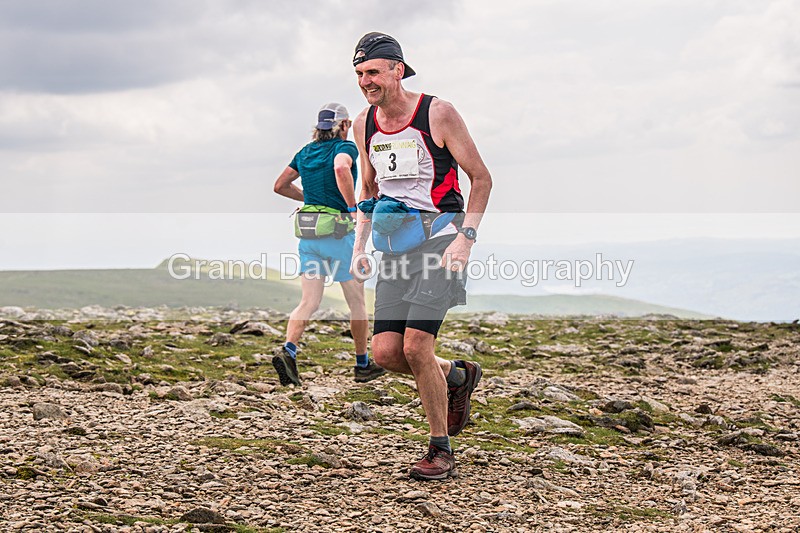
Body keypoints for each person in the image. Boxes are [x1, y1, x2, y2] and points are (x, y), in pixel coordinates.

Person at [350, 33, 492, 480]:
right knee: (388, 353)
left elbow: (481, 178)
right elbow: (368, 187)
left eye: (373, 71)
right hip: (394, 246)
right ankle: (457, 376)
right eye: (359, 74)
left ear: (398, 69)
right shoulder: (364, 124)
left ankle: (440, 449)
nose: (365, 81)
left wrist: (465, 238)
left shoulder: (437, 113)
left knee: (416, 346)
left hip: (439, 240)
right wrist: (359, 245)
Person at [273, 103, 387, 387]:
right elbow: (340, 168)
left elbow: (280, 185)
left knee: (308, 301)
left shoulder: (305, 152)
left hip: (309, 236)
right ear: (345, 125)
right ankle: (362, 365)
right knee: (357, 302)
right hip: (339, 235)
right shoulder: (344, 148)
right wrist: (351, 207)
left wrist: (310, 202)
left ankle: (289, 349)